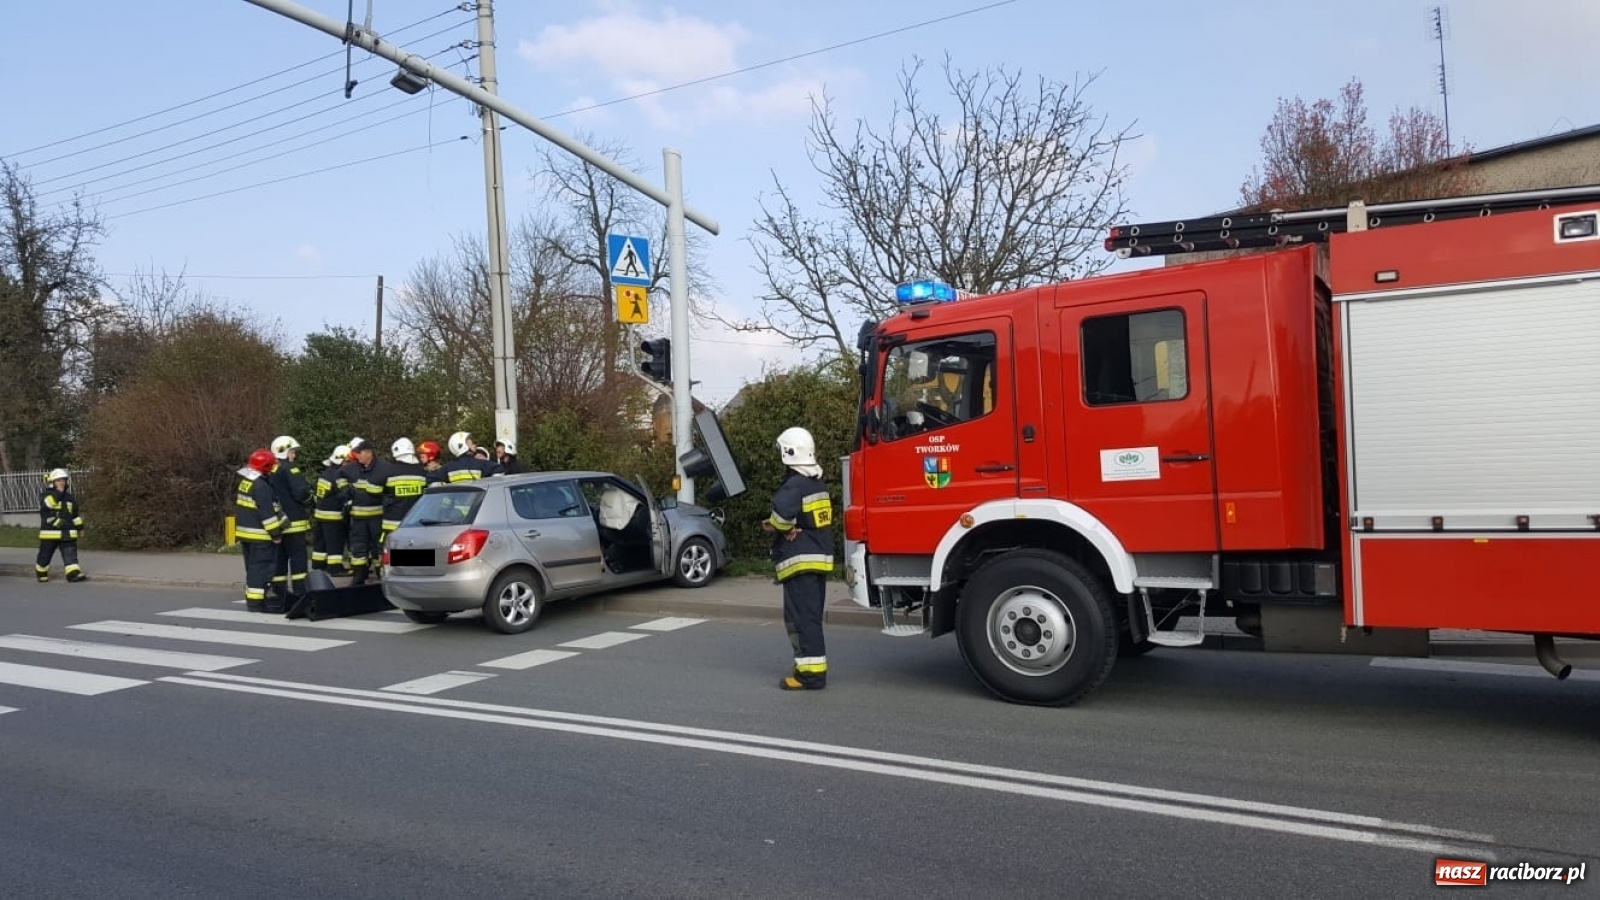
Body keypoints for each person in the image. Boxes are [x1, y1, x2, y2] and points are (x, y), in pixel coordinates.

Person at [762, 427, 835, 691]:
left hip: (801, 562)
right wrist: (792, 525)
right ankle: (811, 670)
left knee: (801, 619)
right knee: (811, 618)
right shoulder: (818, 483)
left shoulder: (794, 484)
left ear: (788, 453)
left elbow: (780, 515)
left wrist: (778, 526)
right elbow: (815, 521)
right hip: (819, 560)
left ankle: (810, 676)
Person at [234, 449, 284, 613]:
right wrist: (276, 534)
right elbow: (267, 515)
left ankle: (253, 599)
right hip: (260, 536)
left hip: (246, 534)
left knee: (252, 568)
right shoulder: (261, 486)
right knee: (260, 569)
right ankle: (256, 604)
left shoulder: (246, 481)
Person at [268, 434, 313, 605]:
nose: (294, 455)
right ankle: (301, 591)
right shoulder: (290, 468)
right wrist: (310, 499)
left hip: (277, 522)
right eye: (292, 451)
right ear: (284, 452)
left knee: (280, 558)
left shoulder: (271, 470)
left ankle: (280, 592)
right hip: (294, 521)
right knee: (298, 557)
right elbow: (301, 492)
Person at [342, 438, 383, 585]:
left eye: (359, 453)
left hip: (377, 517)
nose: (357, 456)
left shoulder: (381, 468)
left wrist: (365, 488)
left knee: (378, 547)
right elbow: (340, 478)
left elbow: (384, 489)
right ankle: (359, 576)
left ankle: (381, 573)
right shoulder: (352, 468)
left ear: (368, 453)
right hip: (358, 518)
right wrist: (346, 492)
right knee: (358, 549)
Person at [375, 437, 430, 547]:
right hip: (417, 525)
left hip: (392, 525)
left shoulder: (389, 471)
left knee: (391, 559)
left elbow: (375, 492)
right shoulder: (423, 473)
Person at [36, 468, 87, 583]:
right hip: (50, 534)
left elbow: (75, 514)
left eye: (63, 480)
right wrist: (58, 493)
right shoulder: (46, 495)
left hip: (67, 533)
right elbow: (49, 506)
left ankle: (73, 574)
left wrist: (80, 528)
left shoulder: (69, 497)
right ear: (52, 482)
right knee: (45, 556)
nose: (62, 482)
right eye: (58, 480)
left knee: (70, 554)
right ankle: (41, 571)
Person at [311, 444, 351, 573]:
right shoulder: (339, 474)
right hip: (333, 515)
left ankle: (318, 565)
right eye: (348, 461)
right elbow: (344, 494)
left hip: (320, 514)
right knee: (335, 543)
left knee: (320, 543)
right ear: (342, 460)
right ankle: (335, 568)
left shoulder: (326, 473)